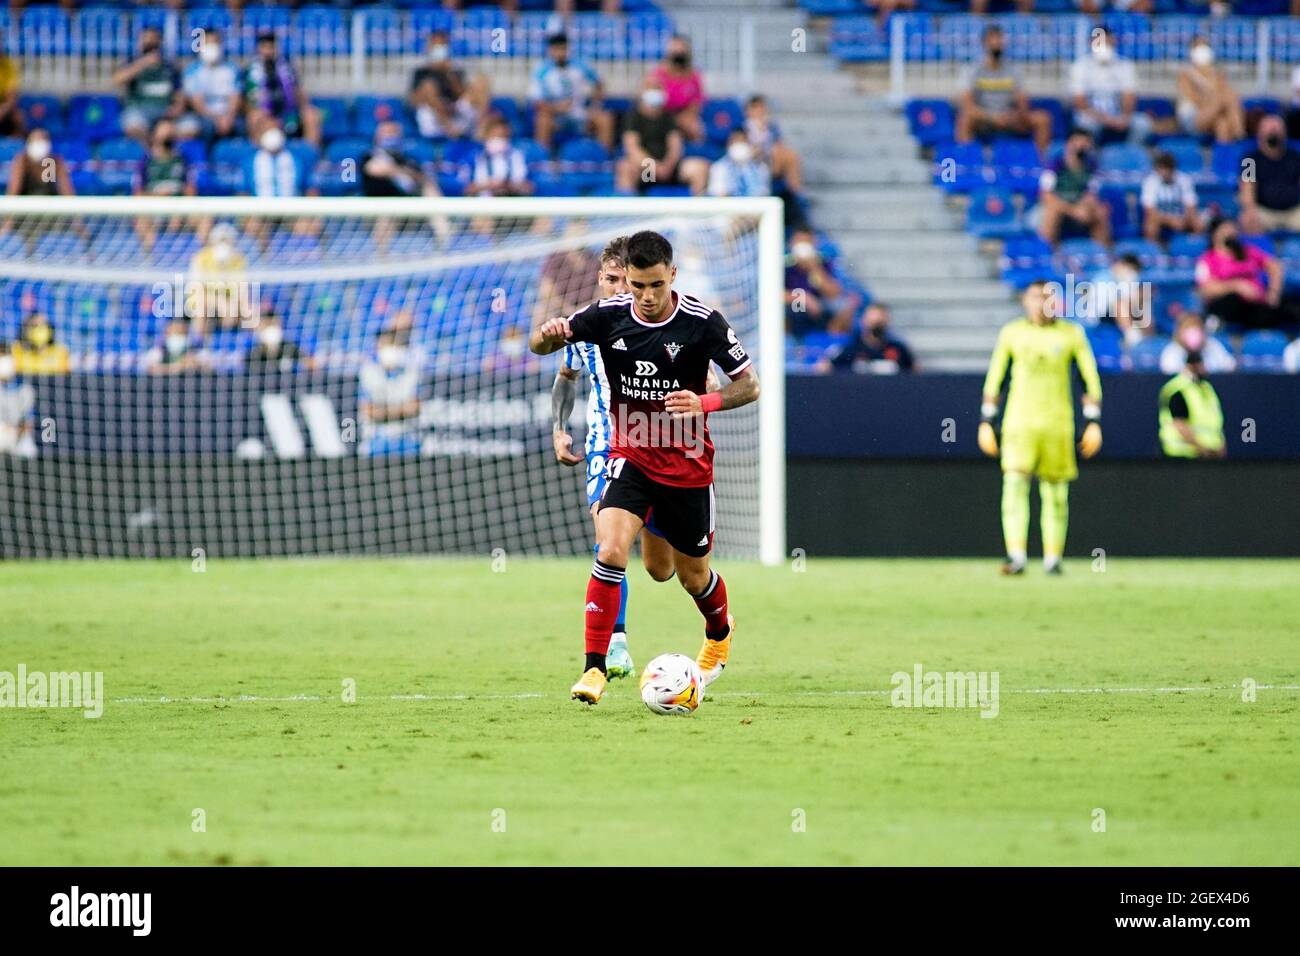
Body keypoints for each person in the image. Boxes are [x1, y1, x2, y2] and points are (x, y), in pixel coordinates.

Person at [530, 230, 760, 705]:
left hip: (687, 466)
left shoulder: (703, 322)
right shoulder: (606, 315)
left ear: (672, 275)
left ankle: (720, 630)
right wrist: (546, 336)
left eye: (656, 285)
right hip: (628, 455)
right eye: (637, 286)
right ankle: (594, 669)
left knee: (683, 576)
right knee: (610, 548)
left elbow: (749, 386)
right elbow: (542, 349)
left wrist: (705, 401)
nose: (646, 297)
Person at [979, 279, 1103, 576]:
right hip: (1019, 422)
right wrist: (986, 420)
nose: (1042, 302)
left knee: (1056, 492)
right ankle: (1017, 555)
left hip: (1058, 423)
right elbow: (995, 377)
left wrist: (1093, 422)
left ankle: (1052, 558)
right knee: (1014, 485)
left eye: (1048, 296)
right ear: (1026, 300)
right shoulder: (1012, 333)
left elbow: (1089, 379)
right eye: (1036, 296)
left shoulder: (1072, 334)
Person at [956, 25, 1052, 153]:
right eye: (992, 39)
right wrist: (992, 117)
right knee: (965, 118)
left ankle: (1040, 164)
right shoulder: (972, 70)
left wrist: (1015, 115)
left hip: (1009, 117)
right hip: (984, 118)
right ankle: (967, 160)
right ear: (984, 43)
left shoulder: (1014, 70)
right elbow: (967, 105)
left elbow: (1022, 101)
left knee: (1042, 119)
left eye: (999, 39)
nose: (997, 43)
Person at [1195, 217, 1299, 331]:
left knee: (1288, 304)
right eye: (1225, 229)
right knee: (1229, 301)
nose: (1231, 232)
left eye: (1232, 228)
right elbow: (1206, 289)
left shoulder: (1247, 251)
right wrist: (1236, 286)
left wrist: (1273, 291)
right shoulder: (1207, 259)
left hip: (1256, 304)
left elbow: (1274, 266)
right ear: (1215, 234)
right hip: (1231, 306)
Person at [615, 79, 708, 195]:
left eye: (657, 89)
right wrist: (654, 167)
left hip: (669, 168)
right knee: (625, 168)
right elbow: (633, 149)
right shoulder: (633, 117)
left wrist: (667, 165)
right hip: (646, 170)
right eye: (651, 89)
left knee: (699, 168)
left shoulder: (669, 117)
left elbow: (675, 146)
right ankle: (627, 210)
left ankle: (698, 209)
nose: (655, 93)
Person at [528, 34, 614, 152]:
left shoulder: (580, 64)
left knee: (605, 118)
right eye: (557, 50)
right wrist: (556, 108)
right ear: (550, 51)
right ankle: (543, 158)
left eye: (563, 49)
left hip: (580, 114)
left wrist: (595, 105)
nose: (560, 53)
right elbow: (538, 102)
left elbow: (599, 83)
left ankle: (603, 158)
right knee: (542, 120)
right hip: (556, 118)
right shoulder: (542, 70)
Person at [241, 31, 321, 146]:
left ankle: (310, 154)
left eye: (271, 47)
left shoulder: (287, 67)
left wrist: (306, 107)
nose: (268, 51)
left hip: (288, 113)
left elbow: (298, 91)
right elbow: (246, 100)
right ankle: (259, 155)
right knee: (254, 118)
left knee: (311, 116)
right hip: (264, 114)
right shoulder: (250, 72)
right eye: (264, 47)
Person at [1068, 27, 1143, 145]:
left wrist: (1124, 117)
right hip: (1091, 115)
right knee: (1086, 124)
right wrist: (1106, 120)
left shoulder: (1125, 65)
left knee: (1142, 124)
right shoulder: (1080, 66)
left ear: (1114, 41)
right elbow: (1079, 101)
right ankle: (1092, 157)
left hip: (1118, 114)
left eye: (1107, 41)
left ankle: (1130, 154)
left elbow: (1129, 97)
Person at [1037, 129, 1110, 248]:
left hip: (1079, 206)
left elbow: (1091, 194)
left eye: (1085, 142)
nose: (1081, 145)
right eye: (1078, 141)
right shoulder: (1054, 166)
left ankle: (1101, 256)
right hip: (1058, 206)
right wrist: (1072, 211)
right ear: (1069, 144)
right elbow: (1046, 195)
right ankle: (1046, 253)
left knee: (1100, 211)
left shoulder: (1092, 168)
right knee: (1052, 211)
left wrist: (1083, 207)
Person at [408, 30, 486, 140]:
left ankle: (481, 127)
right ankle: (450, 129)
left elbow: (461, 94)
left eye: (442, 46)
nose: (439, 49)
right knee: (428, 86)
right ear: (429, 48)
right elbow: (413, 102)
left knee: (481, 81)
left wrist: (449, 74)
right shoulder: (421, 72)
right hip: (434, 117)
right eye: (436, 46)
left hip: (455, 111)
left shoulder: (455, 70)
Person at [113, 27, 184, 144]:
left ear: (160, 42)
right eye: (145, 38)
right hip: (139, 109)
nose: (149, 42)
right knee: (132, 126)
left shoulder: (169, 67)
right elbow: (117, 80)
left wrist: (177, 107)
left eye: (152, 39)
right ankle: (152, 148)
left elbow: (179, 92)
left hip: (164, 111)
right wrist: (143, 63)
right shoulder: (132, 63)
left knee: (187, 127)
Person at [358, 329, 423, 457]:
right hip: (376, 440)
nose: (387, 349)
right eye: (383, 345)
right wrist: (400, 410)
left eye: (391, 344)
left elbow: (414, 408)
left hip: (407, 439)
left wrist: (383, 412)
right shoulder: (368, 373)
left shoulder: (412, 373)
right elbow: (368, 411)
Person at [784, 231, 861, 336]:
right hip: (794, 304)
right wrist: (803, 297)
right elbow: (772, 294)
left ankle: (830, 342)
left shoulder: (823, 263)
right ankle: (790, 341)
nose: (802, 246)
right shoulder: (785, 265)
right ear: (792, 244)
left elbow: (834, 293)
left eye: (806, 242)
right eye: (799, 242)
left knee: (846, 305)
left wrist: (814, 267)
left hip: (820, 305)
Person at [1239, 115, 1300, 236]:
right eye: (1269, 129)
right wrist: (1250, 210)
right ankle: (1258, 254)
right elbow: (1247, 188)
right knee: (1247, 220)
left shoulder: (1295, 157)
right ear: (1259, 133)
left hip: (1293, 211)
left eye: (1277, 129)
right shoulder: (1249, 160)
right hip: (1264, 212)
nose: (1273, 132)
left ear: (1285, 133)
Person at [1159, 350, 1225, 459]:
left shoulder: (1207, 388)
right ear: (1192, 366)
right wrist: (1201, 448)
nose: (1205, 369)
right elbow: (1179, 424)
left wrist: (1219, 445)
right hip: (1181, 455)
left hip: (1209, 453)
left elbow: (1215, 421)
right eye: (1202, 365)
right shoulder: (1178, 390)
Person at [1176, 37, 1244, 143]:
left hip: (1213, 114)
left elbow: (1226, 96)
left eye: (1205, 46)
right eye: (1199, 47)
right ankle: (1239, 133)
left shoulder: (1217, 75)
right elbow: (1196, 100)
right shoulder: (1185, 75)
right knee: (1226, 97)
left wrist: (1215, 100)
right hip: (1193, 118)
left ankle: (1224, 154)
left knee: (1223, 124)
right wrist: (1215, 100)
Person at [816, 303, 916, 374]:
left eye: (880, 322)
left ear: (887, 322)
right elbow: (825, 367)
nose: (876, 325)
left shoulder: (898, 349)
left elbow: (915, 371)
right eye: (873, 322)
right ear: (864, 321)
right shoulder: (851, 349)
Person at [180, 30, 241, 142]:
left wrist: (229, 117)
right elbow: (197, 103)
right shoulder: (192, 70)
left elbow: (235, 97)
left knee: (241, 126)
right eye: (207, 43)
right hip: (204, 116)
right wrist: (217, 119)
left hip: (228, 114)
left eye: (215, 43)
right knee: (205, 127)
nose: (211, 47)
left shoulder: (232, 68)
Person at [649, 35, 705, 143]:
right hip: (661, 114)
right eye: (675, 52)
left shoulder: (694, 75)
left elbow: (696, 103)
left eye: (681, 52)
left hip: (684, 115)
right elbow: (652, 101)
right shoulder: (657, 74)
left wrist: (684, 118)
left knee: (695, 127)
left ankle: (696, 152)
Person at [1140, 151, 1200, 245]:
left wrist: (1184, 219)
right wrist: (1170, 220)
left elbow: (1191, 206)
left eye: (1167, 169)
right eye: (1161, 169)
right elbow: (1150, 211)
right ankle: (1155, 251)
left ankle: (1193, 246)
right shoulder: (1150, 182)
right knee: (1150, 225)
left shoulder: (1184, 180)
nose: (1164, 173)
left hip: (1181, 217)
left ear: (1173, 169)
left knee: (1198, 222)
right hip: (1160, 219)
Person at [465, 117, 533, 197]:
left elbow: (529, 188)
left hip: (512, 203)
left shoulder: (517, 155)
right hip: (485, 205)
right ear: (486, 136)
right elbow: (467, 190)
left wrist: (509, 185)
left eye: (503, 136)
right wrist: (487, 185)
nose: (499, 140)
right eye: (495, 136)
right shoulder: (475, 157)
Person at [1158, 313, 1236, 375]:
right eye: (1188, 327)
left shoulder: (1212, 345)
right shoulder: (1172, 349)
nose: (1193, 333)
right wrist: (1189, 370)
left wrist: (1205, 368)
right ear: (1180, 332)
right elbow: (1168, 369)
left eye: (1196, 327)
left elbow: (1230, 365)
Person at [5, 129, 74, 198]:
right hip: (27, 206)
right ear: (28, 145)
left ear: (48, 145)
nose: (39, 144)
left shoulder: (56, 162)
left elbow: (68, 195)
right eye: (35, 141)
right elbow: (12, 195)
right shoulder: (22, 161)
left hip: (49, 206)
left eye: (42, 140)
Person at [707, 129, 771, 198]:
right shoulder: (718, 167)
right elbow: (717, 195)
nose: (738, 145)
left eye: (742, 141)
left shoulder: (760, 167)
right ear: (728, 145)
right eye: (735, 141)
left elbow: (763, 194)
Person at [0, 344, 36, 458]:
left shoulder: (25, 389)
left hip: (18, 434)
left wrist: (15, 433)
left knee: (29, 450)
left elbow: (29, 422)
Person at [245, 313, 312, 373]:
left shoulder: (289, 347)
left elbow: (308, 362)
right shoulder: (254, 353)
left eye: (273, 324)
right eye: (268, 325)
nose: (271, 330)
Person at [0, 50, 24, 138]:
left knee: (18, 117)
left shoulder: (7, 65)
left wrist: (3, 110)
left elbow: (11, 96)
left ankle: (15, 145)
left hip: (3, 107)